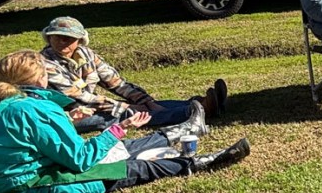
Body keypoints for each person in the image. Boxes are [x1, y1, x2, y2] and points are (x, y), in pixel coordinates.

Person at [0, 50, 250, 193]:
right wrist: (116, 129)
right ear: (41, 77)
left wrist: (69, 120)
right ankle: (197, 162)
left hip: (15, 189)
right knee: (128, 166)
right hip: (35, 189)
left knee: (123, 145)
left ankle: (183, 129)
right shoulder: (35, 108)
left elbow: (26, 144)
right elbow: (79, 160)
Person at [39, 16, 228, 133]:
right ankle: (191, 112)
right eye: (57, 37)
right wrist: (125, 106)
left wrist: (146, 100)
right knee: (123, 115)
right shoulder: (44, 64)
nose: (63, 42)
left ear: (80, 40)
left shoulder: (87, 54)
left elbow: (115, 82)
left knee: (143, 106)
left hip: (90, 107)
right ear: (48, 38)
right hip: (65, 116)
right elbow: (79, 97)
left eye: (69, 38)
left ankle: (200, 103)